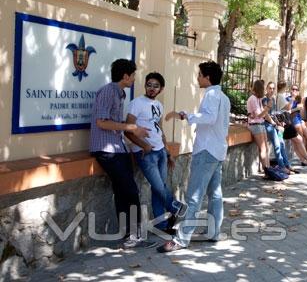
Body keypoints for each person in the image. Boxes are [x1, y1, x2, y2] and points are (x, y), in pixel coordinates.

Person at [158, 61, 231, 253]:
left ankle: (182, 238)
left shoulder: (212, 95)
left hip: (207, 151)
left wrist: (185, 115)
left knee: (194, 196)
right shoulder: (222, 96)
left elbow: (209, 117)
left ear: (207, 77)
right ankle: (213, 232)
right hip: (217, 151)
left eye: (199, 75)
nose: (197, 78)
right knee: (215, 195)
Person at [90, 58, 153, 249]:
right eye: (133, 75)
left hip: (118, 148)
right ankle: (135, 235)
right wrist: (132, 127)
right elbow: (101, 122)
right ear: (125, 76)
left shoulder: (119, 94)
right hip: (107, 150)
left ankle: (129, 235)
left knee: (122, 191)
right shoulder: (109, 91)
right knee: (130, 191)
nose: (134, 79)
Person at [125, 72, 186, 236]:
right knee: (160, 187)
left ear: (161, 89)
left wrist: (167, 152)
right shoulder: (136, 103)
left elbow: (160, 130)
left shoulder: (159, 105)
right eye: (149, 85)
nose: (152, 88)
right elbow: (128, 130)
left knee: (157, 189)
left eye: (156, 86)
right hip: (146, 153)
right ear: (145, 85)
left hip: (160, 152)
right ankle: (176, 207)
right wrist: (144, 146)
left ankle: (161, 225)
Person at [263, 82, 297, 174]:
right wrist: (274, 124)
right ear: (266, 89)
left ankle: (287, 165)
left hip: (274, 124)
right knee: (277, 144)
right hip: (267, 124)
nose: (272, 90)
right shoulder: (264, 100)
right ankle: (282, 166)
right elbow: (266, 116)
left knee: (281, 143)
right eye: (270, 88)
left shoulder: (273, 99)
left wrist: (278, 123)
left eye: (273, 88)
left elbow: (274, 114)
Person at [246, 80, 271, 171]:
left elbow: (262, 115)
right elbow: (258, 115)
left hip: (260, 123)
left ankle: (267, 168)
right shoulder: (252, 98)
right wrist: (267, 108)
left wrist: (265, 110)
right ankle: (267, 170)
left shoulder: (258, 99)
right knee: (263, 148)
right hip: (255, 125)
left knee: (266, 148)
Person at [288, 84, 307, 161]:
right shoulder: (288, 99)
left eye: (296, 90)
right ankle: (304, 158)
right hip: (293, 119)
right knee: (301, 138)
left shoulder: (298, 99)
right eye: (293, 89)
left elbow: (300, 110)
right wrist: (296, 106)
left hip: (299, 119)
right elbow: (288, 111)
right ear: (290, 90)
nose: (294, 91)